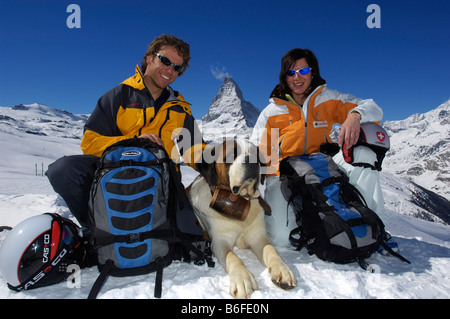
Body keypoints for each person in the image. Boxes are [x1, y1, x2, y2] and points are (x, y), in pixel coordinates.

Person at [46, 34, 205, 231]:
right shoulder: (118, 96)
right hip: (114, 176)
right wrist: (133, 142)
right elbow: (90, 142)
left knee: (192, 241)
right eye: (165, 60)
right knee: (63, 170)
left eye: (177, 67)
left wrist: (225, 164)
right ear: (149, 58)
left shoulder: (180, 109)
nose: (170, 70)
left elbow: (195, 152)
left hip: (163, 184)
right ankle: (98, 231)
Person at [250, 48, 386, 247]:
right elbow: (259, 153)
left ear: (312, 73)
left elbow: (374, 109)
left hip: (324, 168)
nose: (297, 77)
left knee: (365, 152)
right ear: (284, 77)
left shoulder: (329, 99)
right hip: (286, 175)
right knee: (281, 238)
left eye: (303, 71)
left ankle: (376, 225)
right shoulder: (271, 112)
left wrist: (355, 115)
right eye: (291, 72)